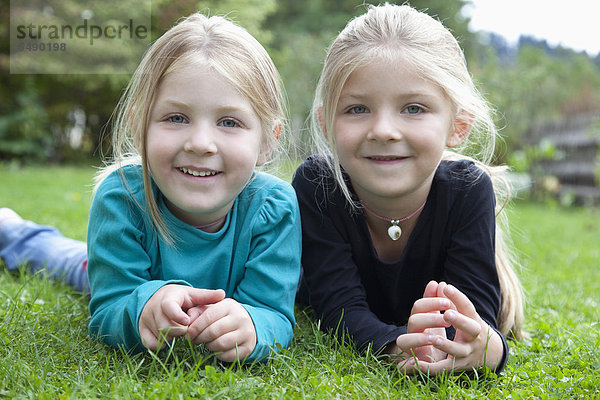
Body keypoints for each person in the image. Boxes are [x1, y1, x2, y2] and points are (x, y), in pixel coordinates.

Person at [1, 12, 301, 364]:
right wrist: (143, 307)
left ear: (267, 141)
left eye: (229, 122)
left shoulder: (274, 207)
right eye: (176, 118)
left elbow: (274, 312)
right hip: (124, 271)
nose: (201, 143)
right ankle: (11, 230)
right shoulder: (123, 198)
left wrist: (254, 325)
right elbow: (110, 306)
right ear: (139, 125)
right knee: (68, 261)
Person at [292, 3, 524, 374]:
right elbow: (339, 309)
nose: (383, 130)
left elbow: (474, 319)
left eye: (413, 108)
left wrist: (488, 350)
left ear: (458, 125)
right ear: (326, 123)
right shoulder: (318, 186)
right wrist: (400, 348)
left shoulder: (467, 191)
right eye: (356, 109)